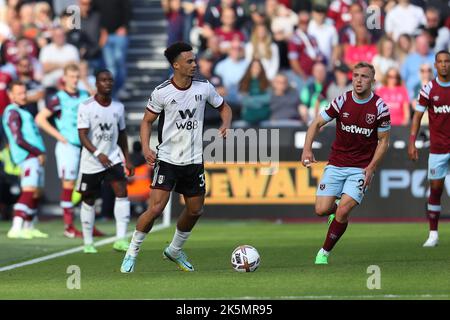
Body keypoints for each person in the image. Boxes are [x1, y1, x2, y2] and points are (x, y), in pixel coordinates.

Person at [120, 42, 232, 273]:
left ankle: (174, 249)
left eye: (194, 60)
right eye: (189, 61)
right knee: (156, 208)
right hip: (168, 160)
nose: (194, 64)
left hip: (193, 160)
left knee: (195, 210)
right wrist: (146, 148)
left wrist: (226, 124)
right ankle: (131, 253)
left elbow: (224, 108)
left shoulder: (204, 87)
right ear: (176, 65)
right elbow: (146, 122)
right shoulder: (162, 92)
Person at [301, 62, 391, 265]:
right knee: (321, 210)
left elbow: (383, 141)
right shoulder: (341, 101)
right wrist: (307, 149)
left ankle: (324, 252)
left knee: (343, 210)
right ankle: (334, 214)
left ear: (373, 81)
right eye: (356, 76)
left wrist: (371, 167)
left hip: (360, 168)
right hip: (336, 163)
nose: (359, 80)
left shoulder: (379, 107)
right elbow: (316, 123)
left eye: (364, 77)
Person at [76, 69, 135, 253]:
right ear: (97, 84)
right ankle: (87, 242)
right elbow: (82, 136)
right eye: (103, 80)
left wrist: (127, 158)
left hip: (113, 158)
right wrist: (97, 153)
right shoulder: (86, 106)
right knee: (89, 198)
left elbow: (122, 134)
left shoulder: (118, 107)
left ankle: (121, 239)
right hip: (91, 161)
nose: (107, 83)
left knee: (122, 191)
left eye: (110, 80)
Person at [35, 64, 89, 238]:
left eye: (76, 76)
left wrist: (86, 81)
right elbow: (40, 119)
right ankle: (68, 227)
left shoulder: (83, 95)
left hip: (84, 146)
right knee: (68, 186)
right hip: (68, 147)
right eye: (71, 76)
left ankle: (88, 224)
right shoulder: (58, 98)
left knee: (88, 185)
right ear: (64, 78)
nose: (74, 80)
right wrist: (59, 137)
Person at [408, 50, 450, 248]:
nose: (443, 65)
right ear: (435, 65)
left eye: (447, 61)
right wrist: (412, 142)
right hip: (438, 150)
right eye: (440, 62)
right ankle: (433, 234)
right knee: (435, 190)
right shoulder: (428, 89)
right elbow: (417, 116)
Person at [2, 81, 49, 239]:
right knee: (29, 190)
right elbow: (18, 139)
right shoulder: (12, 112)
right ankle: (16, 226)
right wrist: (37, 152)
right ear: (10, 94)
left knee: (36, 192)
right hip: (28, 156)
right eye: (19, 93)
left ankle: (29, 226)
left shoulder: (24, 111)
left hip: (35, 156)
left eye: (24, 92)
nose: (23, 96)